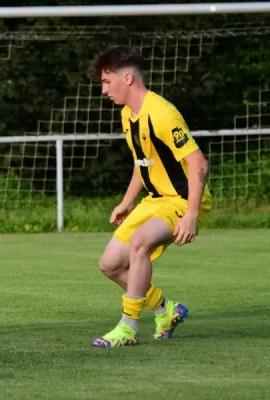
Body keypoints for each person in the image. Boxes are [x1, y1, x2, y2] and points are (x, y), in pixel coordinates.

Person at [89, 45, 212, 348]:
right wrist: (127, 202)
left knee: (140, 243)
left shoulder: (162, 113)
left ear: (128, 78)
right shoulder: (127, 115)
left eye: (107, 81)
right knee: (109, 264)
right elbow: (142, 162)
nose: (104, 90)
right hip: (155, 200)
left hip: (182, 199)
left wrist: (192, 215)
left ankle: (128, 327)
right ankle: (165, 310)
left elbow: (199, 163)